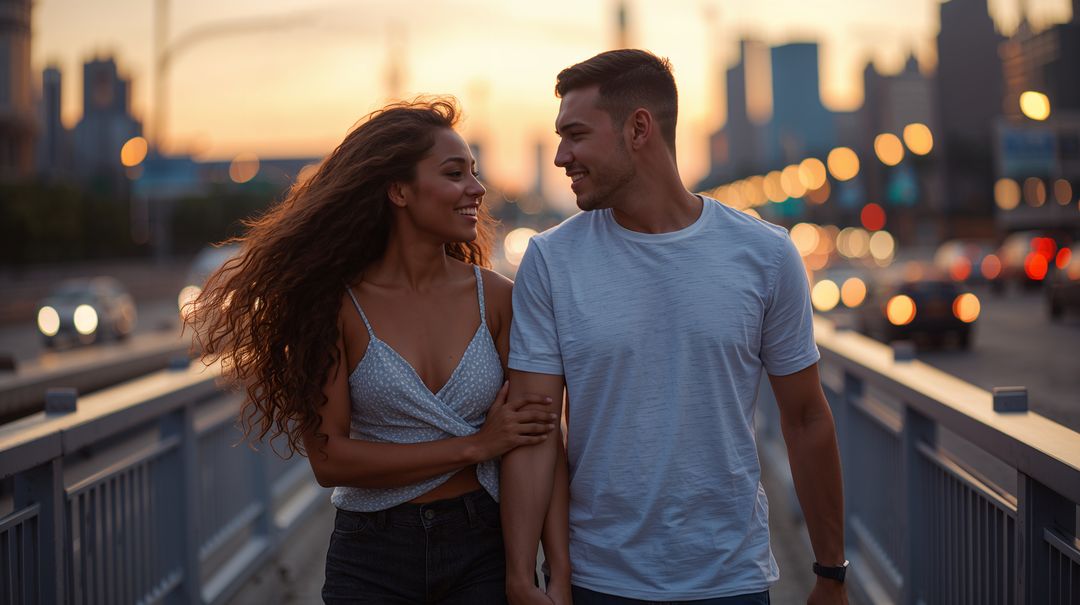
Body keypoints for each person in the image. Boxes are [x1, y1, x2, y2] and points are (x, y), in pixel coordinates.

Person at [185, 98, 566, 604]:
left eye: (474, 173)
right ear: (399, 190)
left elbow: (539, 438)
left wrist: (550, 569)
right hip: (372, 553)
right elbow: (329, 459)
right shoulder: (335, 307)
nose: (477, 189)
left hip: (484, 543)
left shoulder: (496, 298)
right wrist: (474, 446)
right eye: (455, 174)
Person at [501, 50, 848, 604]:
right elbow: (537, 432)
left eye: (576, 134)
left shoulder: (766, 254)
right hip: (600, 581)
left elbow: (806, 418)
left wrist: (832, 573)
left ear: (638, 127)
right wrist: (531, 576)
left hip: (731, 581)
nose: (562, 155)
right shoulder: (550, 260)